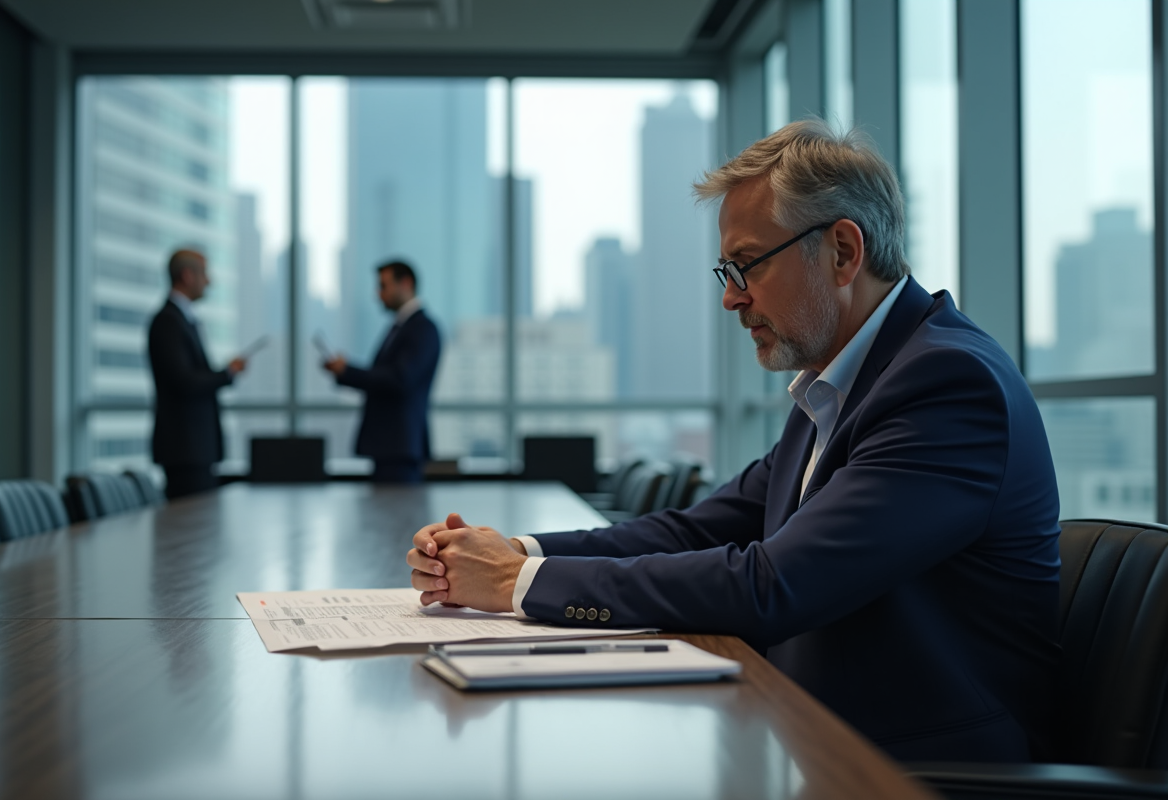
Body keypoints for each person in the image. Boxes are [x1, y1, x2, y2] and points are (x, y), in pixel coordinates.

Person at [406, 120, 1062, 762]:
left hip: (909, 768)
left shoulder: (946, 385)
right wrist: (513, 552)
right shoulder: (837, 383)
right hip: (807, 734)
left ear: (842, 251)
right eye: (728, 271)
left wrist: (519, 582)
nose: (732, 299)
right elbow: (698, 532)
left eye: (747, 265)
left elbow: (774, 586)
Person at [322, 261, 441, 483]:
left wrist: (347, 371)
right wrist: (344, 372)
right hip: (390, 447)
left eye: (383, 286)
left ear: (405, 283)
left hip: (401, 446)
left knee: (400, 513)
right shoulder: (400, 327)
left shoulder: (422, 329)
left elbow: (400, 379)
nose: (378, 294)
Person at [148, 249, 246, 500]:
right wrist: (226, 374)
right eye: (205, 274)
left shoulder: (182, 319)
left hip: (193, 448)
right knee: (187, 528)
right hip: (184, 448)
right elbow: (183, 381)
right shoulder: (168, 321)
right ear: (188, 275)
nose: (209, 281)